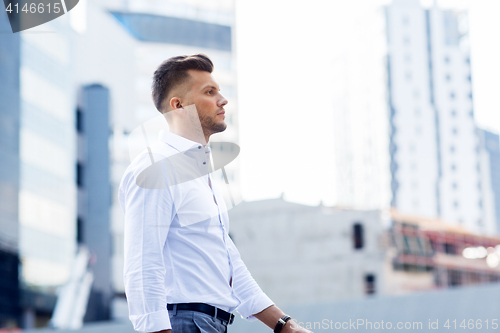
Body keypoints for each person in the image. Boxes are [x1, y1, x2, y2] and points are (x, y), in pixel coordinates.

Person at [119, 54, 313, 333]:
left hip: (211, 323)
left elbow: (230, 265)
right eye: (210, 92)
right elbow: (142, 264)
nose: (222, 100)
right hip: (183, 322)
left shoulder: (200, 176)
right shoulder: (156, 167)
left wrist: (284, 325)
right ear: (179, 105)